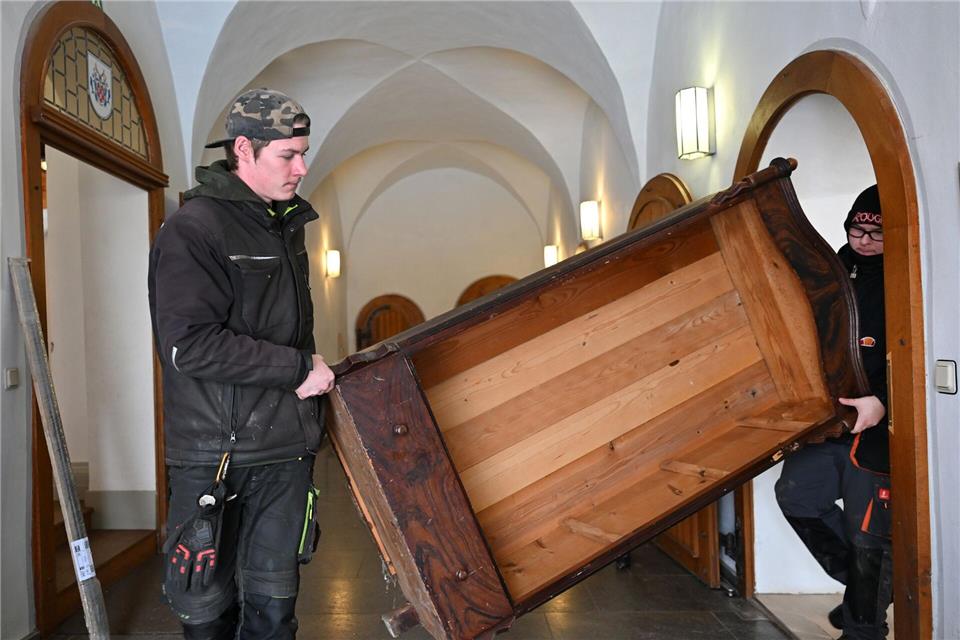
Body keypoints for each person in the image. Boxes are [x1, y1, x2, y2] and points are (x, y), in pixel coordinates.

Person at [148, 88, 335, 639]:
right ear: (244, 150)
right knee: (208, 615)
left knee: (274, 612)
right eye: (288, 155)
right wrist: (298, 369)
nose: (302, 167)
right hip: (214, 458)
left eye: (304, 152)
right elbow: (190, 345)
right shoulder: (196, 228)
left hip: (283, 454)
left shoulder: (283, 225)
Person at [775, 185, 892, 640]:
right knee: (796, 494)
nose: (862, 240)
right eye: (856, 228)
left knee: (868, 530)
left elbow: (915, 352)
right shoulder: (832, 269)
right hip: (827, 423)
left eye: (875, 233)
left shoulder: (909, 276)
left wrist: (882, 400)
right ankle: (871, 588)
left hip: (878, 429)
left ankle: (865, 625)